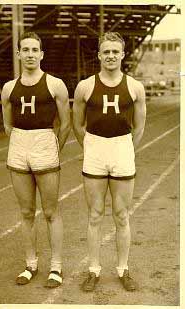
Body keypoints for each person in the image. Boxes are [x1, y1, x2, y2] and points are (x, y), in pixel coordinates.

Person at [72, 32, 146, 292]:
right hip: (95, 148)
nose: (111, 56)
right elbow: (77, 124)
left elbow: (139, 127)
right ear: (99, 55)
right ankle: (93, 270)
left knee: (121, 215)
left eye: (116, 51)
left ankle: (123, 269)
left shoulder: (135, 87)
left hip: (122, 148)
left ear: (123, 54)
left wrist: (124, 149)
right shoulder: (85, 86)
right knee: (94, 214)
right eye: (106, 52)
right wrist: (92, 146)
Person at [1, 32, 70, 288]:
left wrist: (53, 149)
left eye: (34, 50)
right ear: (19, 54)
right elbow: (8, 124)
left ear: (41, 54)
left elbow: (65, 124)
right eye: (25, 50)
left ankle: (56, 267)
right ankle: (31, 264)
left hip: (44, 142)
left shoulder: (55, 84)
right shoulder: (9, 87)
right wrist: (22, 143)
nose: (30, 54)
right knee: (26, 211)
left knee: (51, 211)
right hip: (19, 144)